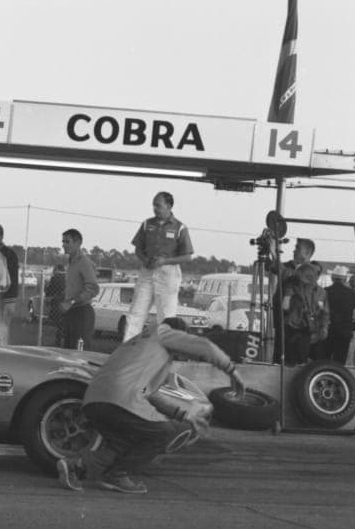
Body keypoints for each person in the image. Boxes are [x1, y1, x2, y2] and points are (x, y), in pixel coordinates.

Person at [57, 318, 244, 494]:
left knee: (122, 443)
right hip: (121, 399)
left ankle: (76, 466)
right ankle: (117, 476)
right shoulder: (163, 333)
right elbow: (204, 346)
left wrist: (185, 416)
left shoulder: (137, 344)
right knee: (163, 433)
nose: (184, 353)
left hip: (93, 401)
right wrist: (232, 371)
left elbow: (151, 395)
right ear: (179, 336)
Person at [123, 192, 194, 342]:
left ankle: (164, 353)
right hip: (147, 271)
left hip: (168, 273)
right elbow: (137, 249)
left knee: (167, 316)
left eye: (158, 205)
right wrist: (144, 260)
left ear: (168, 206)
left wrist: (165, 261)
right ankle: (127, 349)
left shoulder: (180, 227)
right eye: (153, 205)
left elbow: (187, 256)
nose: (154, 208)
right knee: (136, 312)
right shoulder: (147, 224)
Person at [279, 262, 329, 366]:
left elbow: (325, 312)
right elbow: (285, 306)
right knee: (291, 361)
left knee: (305, 361)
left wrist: (324, 327)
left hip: (310, 330)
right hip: (292, 328)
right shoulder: (292, 287)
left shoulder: (322, 292)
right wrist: (288, 297)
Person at [58, 229, 100, 351]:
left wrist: (70, 302)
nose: (64, 245)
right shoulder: (70, 262)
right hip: (70, 313)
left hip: (82, 314)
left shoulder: (84, 262)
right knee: (67, 351)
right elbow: (74, 287)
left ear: (78, 243)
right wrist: (62, 298)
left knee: (79, 354)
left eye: (67, 241)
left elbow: (93, 288)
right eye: (63, 241)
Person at [313, 266, 355, 365]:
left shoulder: (325, 291)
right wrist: (354, 326)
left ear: (332, 278)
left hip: (326, 330)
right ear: (345, 279)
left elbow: (317, 310)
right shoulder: (353, 293)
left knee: (323, 360)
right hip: (344, 332)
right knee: (340, 362)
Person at [0, 222, 21, 322]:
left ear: (1, 237)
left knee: (0, 330)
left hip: (4, 300)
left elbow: (13, 279)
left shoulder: (8, 254)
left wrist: (10, 302)